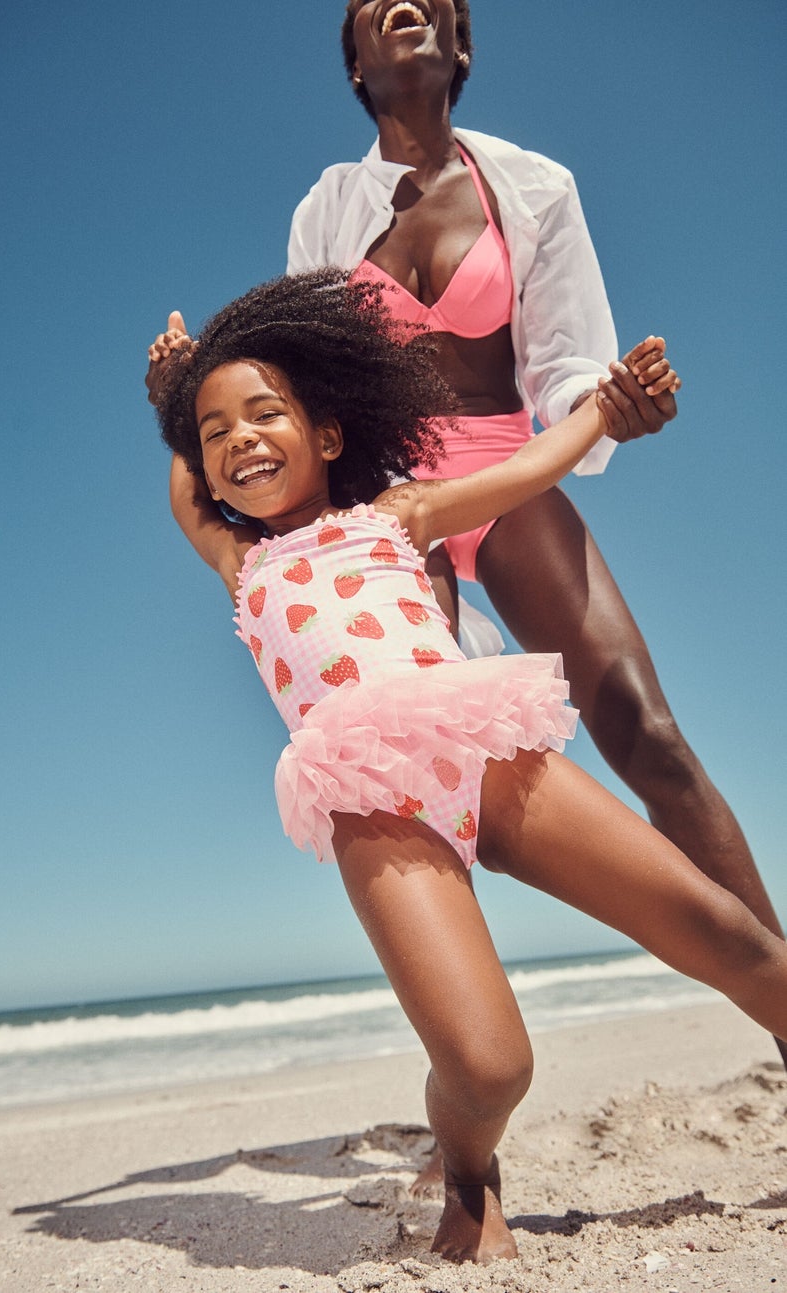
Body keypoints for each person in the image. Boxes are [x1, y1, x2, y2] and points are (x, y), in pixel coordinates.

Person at [150, 269, 787, 1265]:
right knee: (489, 1070)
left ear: (326, 433)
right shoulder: (242, 563)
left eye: (263, 413)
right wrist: (172, 394)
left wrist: (605, 410)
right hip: (370, 801)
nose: (238, 440)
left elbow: (532, 469)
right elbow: (186, 488)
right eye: (215, 430)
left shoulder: (397, 518)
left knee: (731, 936)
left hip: (481, 748)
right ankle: (469, 1172)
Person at [280, 0, 787, 1069]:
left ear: (459, 46)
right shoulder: (327, 209)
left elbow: (559, 362)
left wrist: (611, 403)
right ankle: (472, 1106)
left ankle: (784, 1017)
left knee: (645, 732)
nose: (401, 5)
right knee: (425, 778)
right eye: (372, 4)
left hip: (505, 470)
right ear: (356, 64)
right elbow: (298, 375)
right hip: (389, 509)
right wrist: (184, 386)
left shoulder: (535, 185)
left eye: (430, 1)